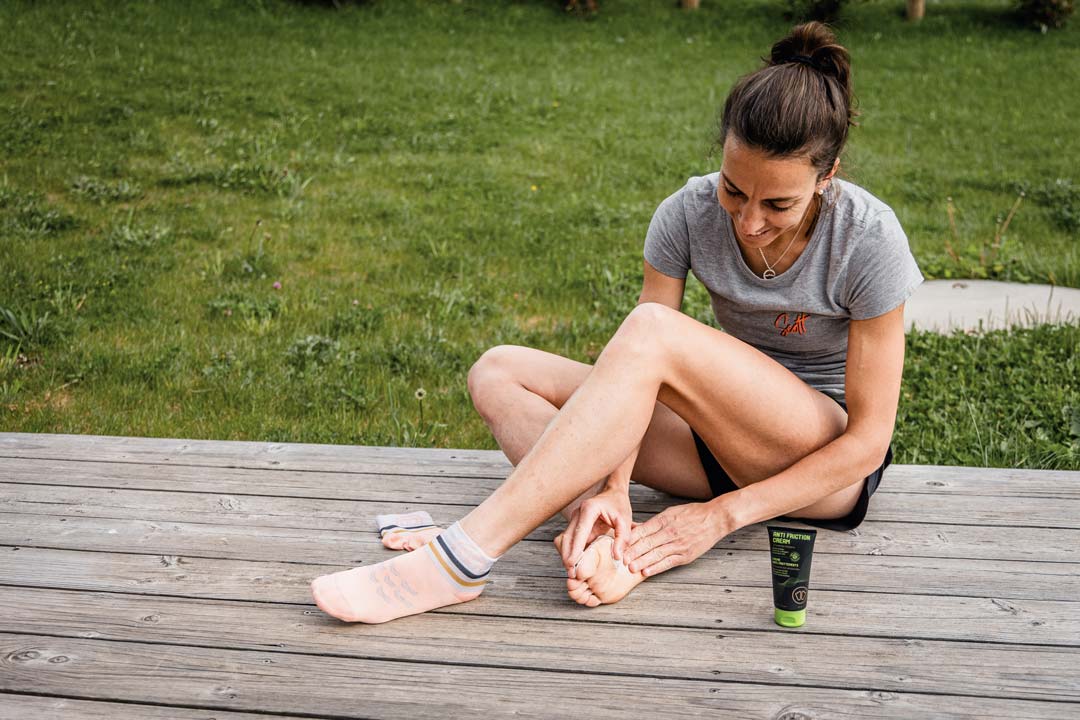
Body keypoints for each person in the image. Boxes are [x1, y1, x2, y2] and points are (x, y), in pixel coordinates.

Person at [310, 21, 923, 622]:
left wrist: (722, 516)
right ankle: (602, 535)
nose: (749, 222)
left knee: (653, 329)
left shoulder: (868, 239)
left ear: (829, 174)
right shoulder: (684, 213)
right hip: (707, 445)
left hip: (819, 470)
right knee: (498, 372)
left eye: (778, 204)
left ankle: (459, 559)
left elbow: (867, 443)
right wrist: (613, 486)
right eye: (735, 191)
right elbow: (638, 371)